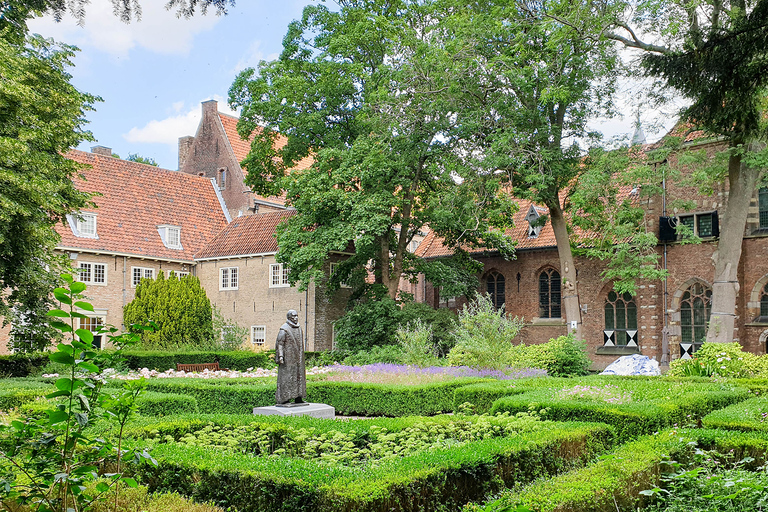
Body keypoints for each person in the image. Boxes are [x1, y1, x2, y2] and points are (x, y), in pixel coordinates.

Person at [275, 309, 307, 405]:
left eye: (296, 316)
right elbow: (280, 344)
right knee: (287, 377)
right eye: (293, 316)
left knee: (299, 376)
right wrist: (281, 356)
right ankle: (285, 399)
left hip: (298, 358)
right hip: (288, 358)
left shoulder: (299, 328)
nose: (296, 318)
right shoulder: (284, 329)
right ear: (289, 317)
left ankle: (298, 397)